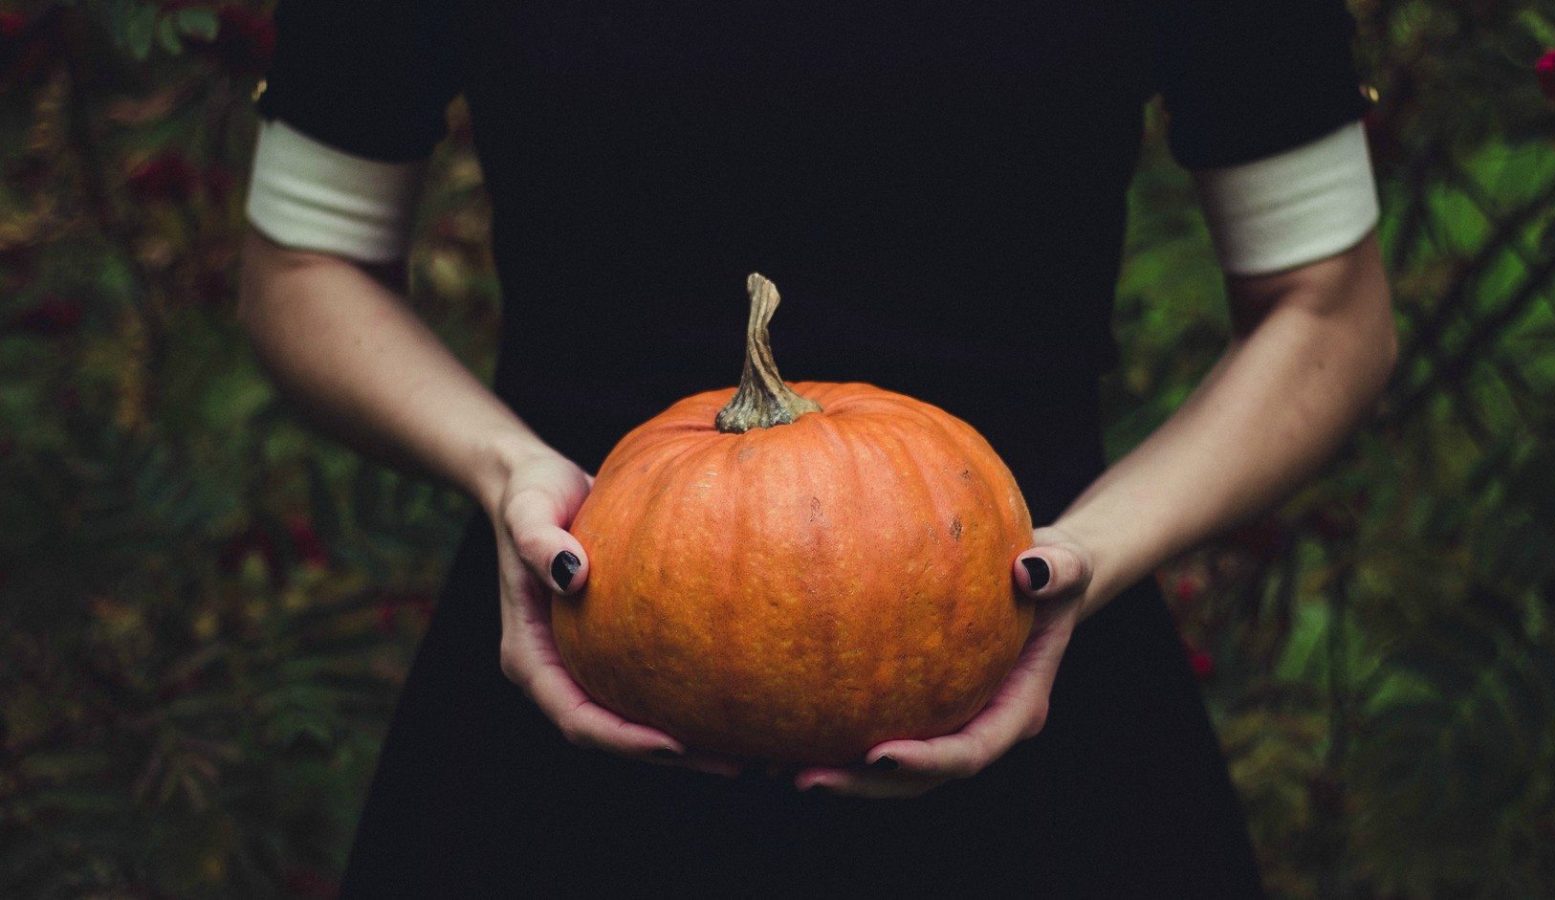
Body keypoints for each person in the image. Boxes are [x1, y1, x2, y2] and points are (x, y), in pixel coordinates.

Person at [237, 0, 1396, 895]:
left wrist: (1087, 553)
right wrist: (503, 472)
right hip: (571, 640)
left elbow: (1328, 306)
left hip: (1028, 653)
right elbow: (303, 267)